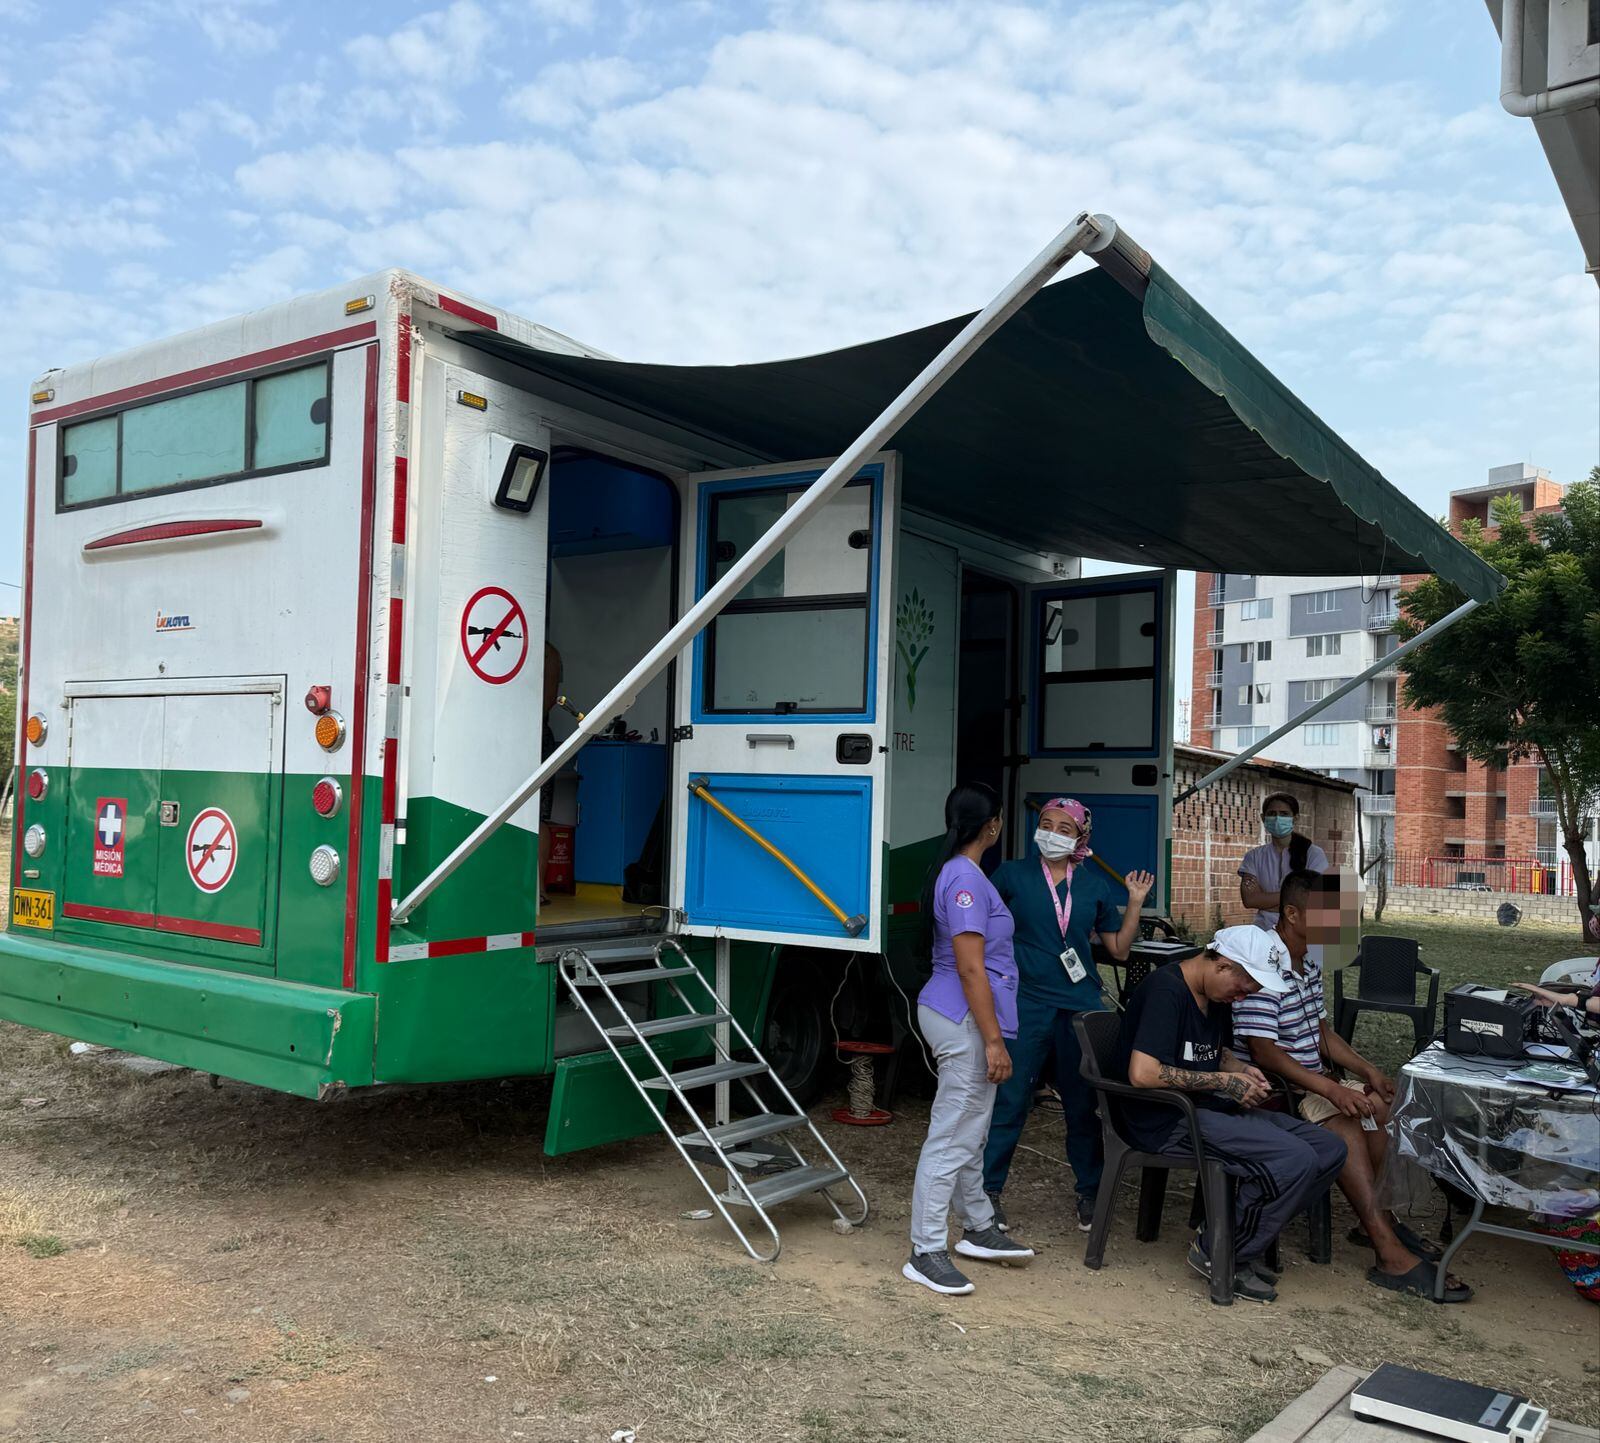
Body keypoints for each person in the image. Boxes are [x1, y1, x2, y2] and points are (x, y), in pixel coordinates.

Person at [1235, 870, 1473, 1302]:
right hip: (1273, 1088)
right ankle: (1387, 1251)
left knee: (1385, 1107)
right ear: (1292, 914)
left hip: (1311, 1083)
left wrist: (1366, 1072)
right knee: (1346, 1127)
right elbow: (1265, 1052)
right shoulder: (1262, 961)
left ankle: (1383, 1221)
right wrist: (1332, 1091)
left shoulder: (1305, 960)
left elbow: (1321, 1032)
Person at [1111, 926, 1347, 1303]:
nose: (1243, 996)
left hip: (1205, 1107)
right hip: (1164, 1119)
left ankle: (1237, 1236)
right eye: (1242, 987)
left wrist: (1238, 1068)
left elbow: (1210, 1051)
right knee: (1294, 1159)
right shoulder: (1165, 990)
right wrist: (1221, 1080)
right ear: (1222, 964)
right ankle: (1221, 1252)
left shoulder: (1215, 997)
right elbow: (1143, 1072)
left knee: (1328, 1148)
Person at [982, 799, 1155, 1234]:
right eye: (1045, 824)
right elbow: (980, 931)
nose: (1053, 832)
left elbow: (1117, 950)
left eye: (1064, 827)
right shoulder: (1010, 876)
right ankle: (987, 1192)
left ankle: (1090, 1191)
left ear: (1082, 837)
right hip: (1025, 1003)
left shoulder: (1094, 887)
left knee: (1082, 1105)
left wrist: (1134, 902)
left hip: (1080, 1005)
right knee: (1010, 1099)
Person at [904, 782, 1036, 1295]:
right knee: (954, 1130)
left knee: (971, 1127)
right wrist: (994, 1041)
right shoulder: (964, 879)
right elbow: (970, 968)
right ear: (993, 826)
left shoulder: (964, 873)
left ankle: (978, 1225)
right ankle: (926, 1249)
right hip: (962, 1017)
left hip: (965, 1016)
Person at [1239, 793, 1327, 930]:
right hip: (1264, 931)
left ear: (1295, 818)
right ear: (1263, 818)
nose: (1277, 818)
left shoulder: (1313, 854)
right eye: (1272, 813)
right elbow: (1250, 900)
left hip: (1302, 932)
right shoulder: (1253, 857)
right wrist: (1293, 897)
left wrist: (1265, 899)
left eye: (1284, 814)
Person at [538, 640, 563, 905]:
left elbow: (545, 701)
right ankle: (539, 889)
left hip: (530, 734)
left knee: (536, 818)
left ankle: (539, 889)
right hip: (540, 733)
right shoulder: (551, 653)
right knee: (539, 817)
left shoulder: (543, 652)